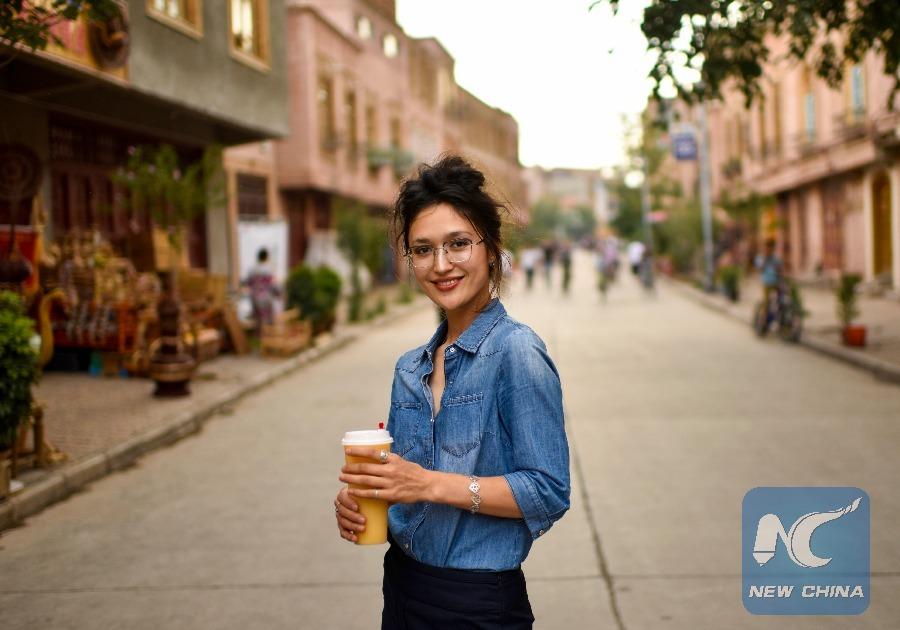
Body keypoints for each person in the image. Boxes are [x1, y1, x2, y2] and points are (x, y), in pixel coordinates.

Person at [334, 155, 570, 629]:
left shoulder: (516, 352)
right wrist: (367, 502)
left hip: (478, 603)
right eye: (422, 250)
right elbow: (404, 485)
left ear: (490, 247)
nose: (440, 265)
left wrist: (428, 485)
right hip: (402, 588)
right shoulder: (409, 369)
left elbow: (548, 490)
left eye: (457, 244)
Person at [243, 248, 281, 336]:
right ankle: (268, 336)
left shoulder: (252, 269)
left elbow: (248, 283)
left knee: (257, 318)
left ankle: (258, 335)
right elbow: (273, 284)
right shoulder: (268, 269)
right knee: (268, 318)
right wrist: (279, 294)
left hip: (254, 297)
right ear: (266, 257)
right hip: (265, 297)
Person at [755, 239, 783, 306]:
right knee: (766, 303)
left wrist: (780, 278)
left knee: (781, 299)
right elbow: (760, 269)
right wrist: (765, 259)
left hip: (776, 282)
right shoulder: (760, 257)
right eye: (767, 247)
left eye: (771, 248)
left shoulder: (776, 258)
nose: (769, 249)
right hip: (766, 282)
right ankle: (764, 315)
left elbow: (780, 270)